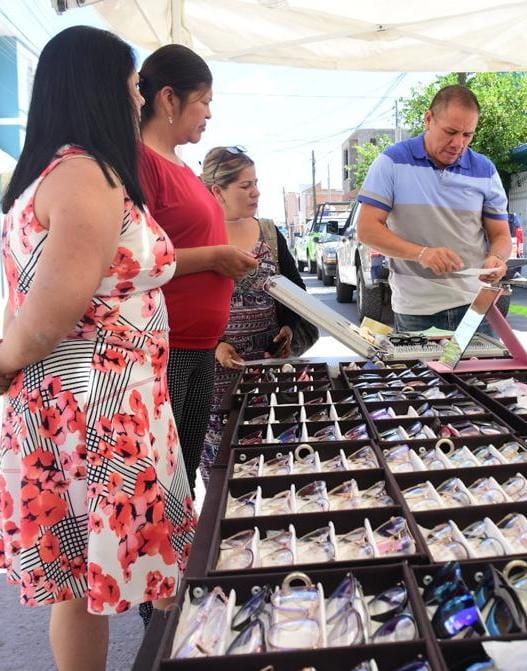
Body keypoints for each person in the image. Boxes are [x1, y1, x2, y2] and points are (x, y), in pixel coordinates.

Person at [0, 26, 195, 671]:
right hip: (99, 412)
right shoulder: (87, 173)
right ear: (99, 87)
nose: (138, 100)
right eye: (132, 85)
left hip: (90, 406)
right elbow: (49, 314)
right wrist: (4, 360)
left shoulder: (55, 171)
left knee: (84, 581)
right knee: (95, 576)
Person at [138, 44, 257, 495]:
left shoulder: (181, 165)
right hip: (170, 346)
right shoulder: (142, 162)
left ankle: (178, 562)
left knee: (183, 481)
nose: (209, 112)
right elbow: (133, 259)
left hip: (197, 347)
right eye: (203, 100)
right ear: (169, 99)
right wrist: (213, 259)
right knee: (164, 482)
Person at [198, 146, 318, 482]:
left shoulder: (269, 233)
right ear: (217, 191)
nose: (256, 192)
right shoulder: (198, 238)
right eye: (245, 186)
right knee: (225, 473)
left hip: (269, 375)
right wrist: (216, 346)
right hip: (216, 382)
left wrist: (289, 330)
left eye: (256, 183)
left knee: (277, 467)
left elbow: (297, 296)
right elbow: (181, 308)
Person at [356, 84, 512, 332]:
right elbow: (366, 230)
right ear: (428, 119)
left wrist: (498, 258)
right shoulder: (391, 162)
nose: (458, 143)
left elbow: (502, 236)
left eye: (467, 135)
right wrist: (422, 254)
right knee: (425, 372)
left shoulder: (486, 170)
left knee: (478, 372)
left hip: (475, 307)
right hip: (416, 310)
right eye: (450, 132)